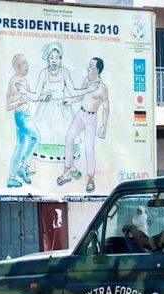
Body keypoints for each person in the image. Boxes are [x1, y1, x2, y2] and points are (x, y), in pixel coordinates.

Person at [30, 42, 86, 173]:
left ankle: (71, 166)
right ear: (48, 59)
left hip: (62, 108)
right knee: (41, 134)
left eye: (57, 57)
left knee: (67, 135)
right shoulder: (44, 73)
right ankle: (31, 165)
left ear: (61, 59)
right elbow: (37, 94)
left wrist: (87, 90)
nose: (54, 60)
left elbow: (72, 91)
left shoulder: (65, 72)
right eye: (51, 58)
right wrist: (43, 96)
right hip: (46, 109)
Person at [57, 57, 109, 193]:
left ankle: (90, 178)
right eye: (89, 65)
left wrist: (104, 126)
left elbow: (106, 107)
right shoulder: (87, 80)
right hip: (81, 114)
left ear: (98, 70)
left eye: (91, 66)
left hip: (91, 119)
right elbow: (83, 96)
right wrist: (71, 100)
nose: (88, 68)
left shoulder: (102, 88)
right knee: (69, 138)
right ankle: (67, 171)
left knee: (88, 149)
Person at [5, 54, 42, 188]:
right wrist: (20, 101)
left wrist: (40, 97)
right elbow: (8, 105)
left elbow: (30, 97)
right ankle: (24, 166)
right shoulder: (14, 82)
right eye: (24, 64)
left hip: (24, 115)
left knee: (20, 146)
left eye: (27, 63)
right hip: (21, 117)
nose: (27, 66)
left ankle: (11, 178)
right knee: (36, 137)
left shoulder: (24, 81)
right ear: (17, 67)